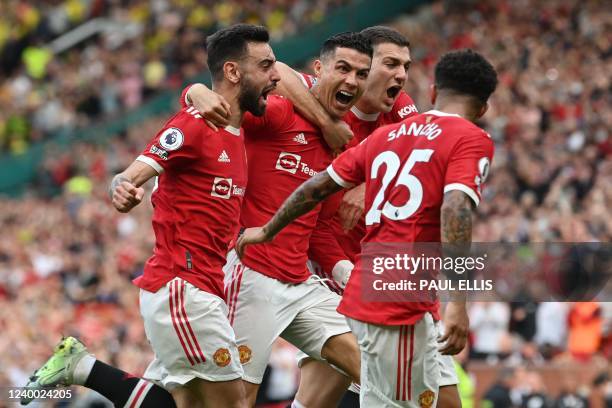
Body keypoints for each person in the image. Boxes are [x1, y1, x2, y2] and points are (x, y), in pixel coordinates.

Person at [21, 24, 281, 408]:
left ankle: (84, 368)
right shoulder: (196, 124)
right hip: (183, 288)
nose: (276, 75)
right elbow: (129, 174)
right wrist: (123, 188)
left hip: (202, 289)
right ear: (232, 72)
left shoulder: (240, 130)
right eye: (266, 66)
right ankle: (83, 368)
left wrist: (193, 88)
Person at [236, 49, 498, 407]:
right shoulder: (472, 138)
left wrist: (267, 229)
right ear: (483, 109)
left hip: (364, 291)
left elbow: (315, 188)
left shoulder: (387, 135)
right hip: (399, 298)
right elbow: (455, 209)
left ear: (433, 92)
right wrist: (459, 302)